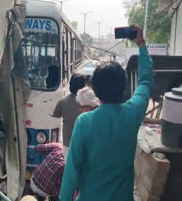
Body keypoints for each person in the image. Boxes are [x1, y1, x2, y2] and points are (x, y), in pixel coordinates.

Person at [60, 26, 153, 201]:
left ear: (94, 89)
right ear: (124, 88)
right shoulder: (132, 114)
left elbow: (71, 174)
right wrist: (141, 44)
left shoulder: (84, 122)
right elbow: (146, 82)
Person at [53, 74, 85, 158]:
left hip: (67, 142)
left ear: (70, 85)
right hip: (83, 143)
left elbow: (56, 115)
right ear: (83, 87)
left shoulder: (62, 101)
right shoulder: (88, 103)